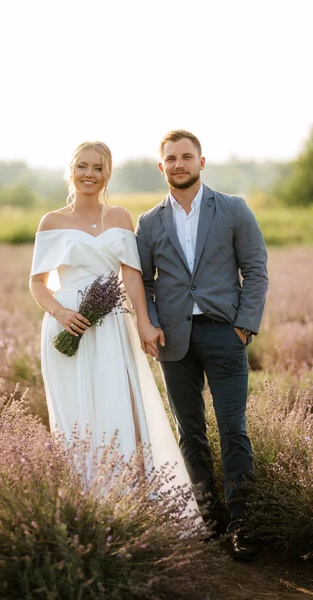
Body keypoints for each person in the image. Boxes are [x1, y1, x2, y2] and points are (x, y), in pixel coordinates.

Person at [29, 141, 198, 515]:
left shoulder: (121, 217)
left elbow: (132, 276)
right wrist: (60, 313)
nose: (90, 174)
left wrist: (143, 322)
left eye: (98, 168)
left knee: (121, 405)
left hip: (112, 326)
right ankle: (85, 506)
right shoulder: (51, 221)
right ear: (71, 170)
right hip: (68, 327)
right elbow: (37, 283)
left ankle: (130, 502)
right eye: (83, 166)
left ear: (108, 174)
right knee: (77, 413)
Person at [135, 129, 269, 561]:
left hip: (224, 334)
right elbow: (143, 283)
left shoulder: (232, 209)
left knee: (234, 430)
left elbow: (256, 269)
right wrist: (151, 325)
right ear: (161, 167)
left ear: (201, 161)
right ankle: (207, 521)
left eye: (186, 157)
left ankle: (243, 524)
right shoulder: (149, 222)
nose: (179, 164)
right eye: (170, 158)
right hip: (174, 342)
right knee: (190, 434)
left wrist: (244, 326)